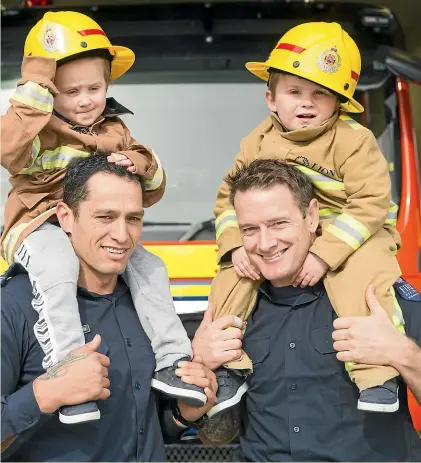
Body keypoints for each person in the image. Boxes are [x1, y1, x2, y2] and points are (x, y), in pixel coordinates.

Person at [0, 11, 206, 424]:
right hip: (36, 227)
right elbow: (7, 149)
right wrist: (36, 88)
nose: (84, 99)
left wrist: (137, 162)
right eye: (69, 90)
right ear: (49, 92)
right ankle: (69, 364)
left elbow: (154, 187)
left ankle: (173, 362)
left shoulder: (114, 130)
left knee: (151, 267)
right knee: (59, 264)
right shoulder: (34, 128)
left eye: (94, 88)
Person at [209, 21, 403, 415]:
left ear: (339, 103)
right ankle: (228, 367)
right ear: (271, 98)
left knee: (364, 277)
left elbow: (370, 203)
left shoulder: (355, 141)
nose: (306, 103)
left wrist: (323, 254)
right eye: (294, 91)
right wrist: (234, 247)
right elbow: (228, 199)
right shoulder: (257, 141)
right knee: (234, 273)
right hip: (288, 231)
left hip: (355, 227)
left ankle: (376, 374)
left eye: (320, 94)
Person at [191, 159, 421, 461]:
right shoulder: (232, 310)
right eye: (249, 229)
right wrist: (201, 367)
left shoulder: (378, 296)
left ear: (312, 216)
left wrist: (401, 352)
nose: (265, 243)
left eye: (278, 223)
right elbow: (212, 437)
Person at [0, 153, 217, 461]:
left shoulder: (149, 306)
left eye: (133, 219)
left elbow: (140, 427)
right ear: (65, 217)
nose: (121, 235)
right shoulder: (14, 305)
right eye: (105, 217)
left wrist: (183, 414)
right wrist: (48, 393)